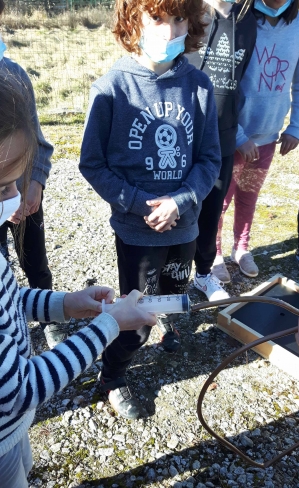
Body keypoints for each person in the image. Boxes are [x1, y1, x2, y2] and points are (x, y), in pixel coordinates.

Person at [0, 74, 156, 488]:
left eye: (18, 179)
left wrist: (66, 304)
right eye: (1, 186)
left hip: (11, 432)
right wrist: (107, 326)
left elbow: (9, 298)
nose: (15, 196)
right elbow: (19, 389)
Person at [80, 0, 221, 419]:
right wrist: (142, 205)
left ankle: (169, 327)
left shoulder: (198, 85)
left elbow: (210, 158)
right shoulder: (112, 88)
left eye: (178, 18)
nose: (169, 29)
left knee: (175, 294)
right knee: (137, 319)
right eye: (157, 17)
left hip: (185, 226)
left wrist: (181, 200)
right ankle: (112, 376)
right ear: (133, 20)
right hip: (137, 231)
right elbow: (93, 164)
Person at [216, 0, 299, 278]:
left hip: (268, 136)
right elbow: (224, 81)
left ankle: (241, 248)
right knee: (221, 200)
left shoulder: (298, 26)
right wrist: (238, 135)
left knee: (249, 195)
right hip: (232, 137)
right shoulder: (240, 22)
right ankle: (213, 254)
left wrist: (295, 127)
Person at [0, 0, 64, 349]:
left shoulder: (16, 77)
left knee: (35, 261)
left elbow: (39, 144)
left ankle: (49, 316)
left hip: (24, 198)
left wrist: (33, 186)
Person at [187, 0, 257, 300]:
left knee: (212, 210)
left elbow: (242, 79)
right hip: (186, 134)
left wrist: (237, 131)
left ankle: (203, 275)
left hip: (224, 137)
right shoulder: (190, 11)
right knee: (181, 210)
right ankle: (166, 280)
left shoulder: (247, 20)